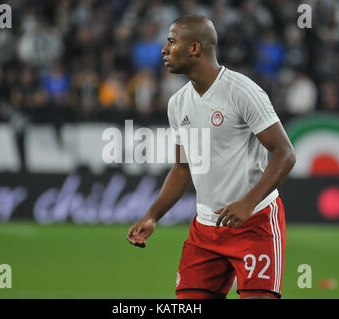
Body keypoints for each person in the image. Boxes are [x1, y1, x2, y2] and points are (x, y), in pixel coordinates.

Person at [126, 15, 296, 299]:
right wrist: (153, 216)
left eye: (171, 41)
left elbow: (285, 153)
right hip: (205, 230)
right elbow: (182, 169)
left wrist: (247, 203)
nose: (163, 50)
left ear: (194, 48)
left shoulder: (242, 91)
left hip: (255, 224)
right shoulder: (178, 103)